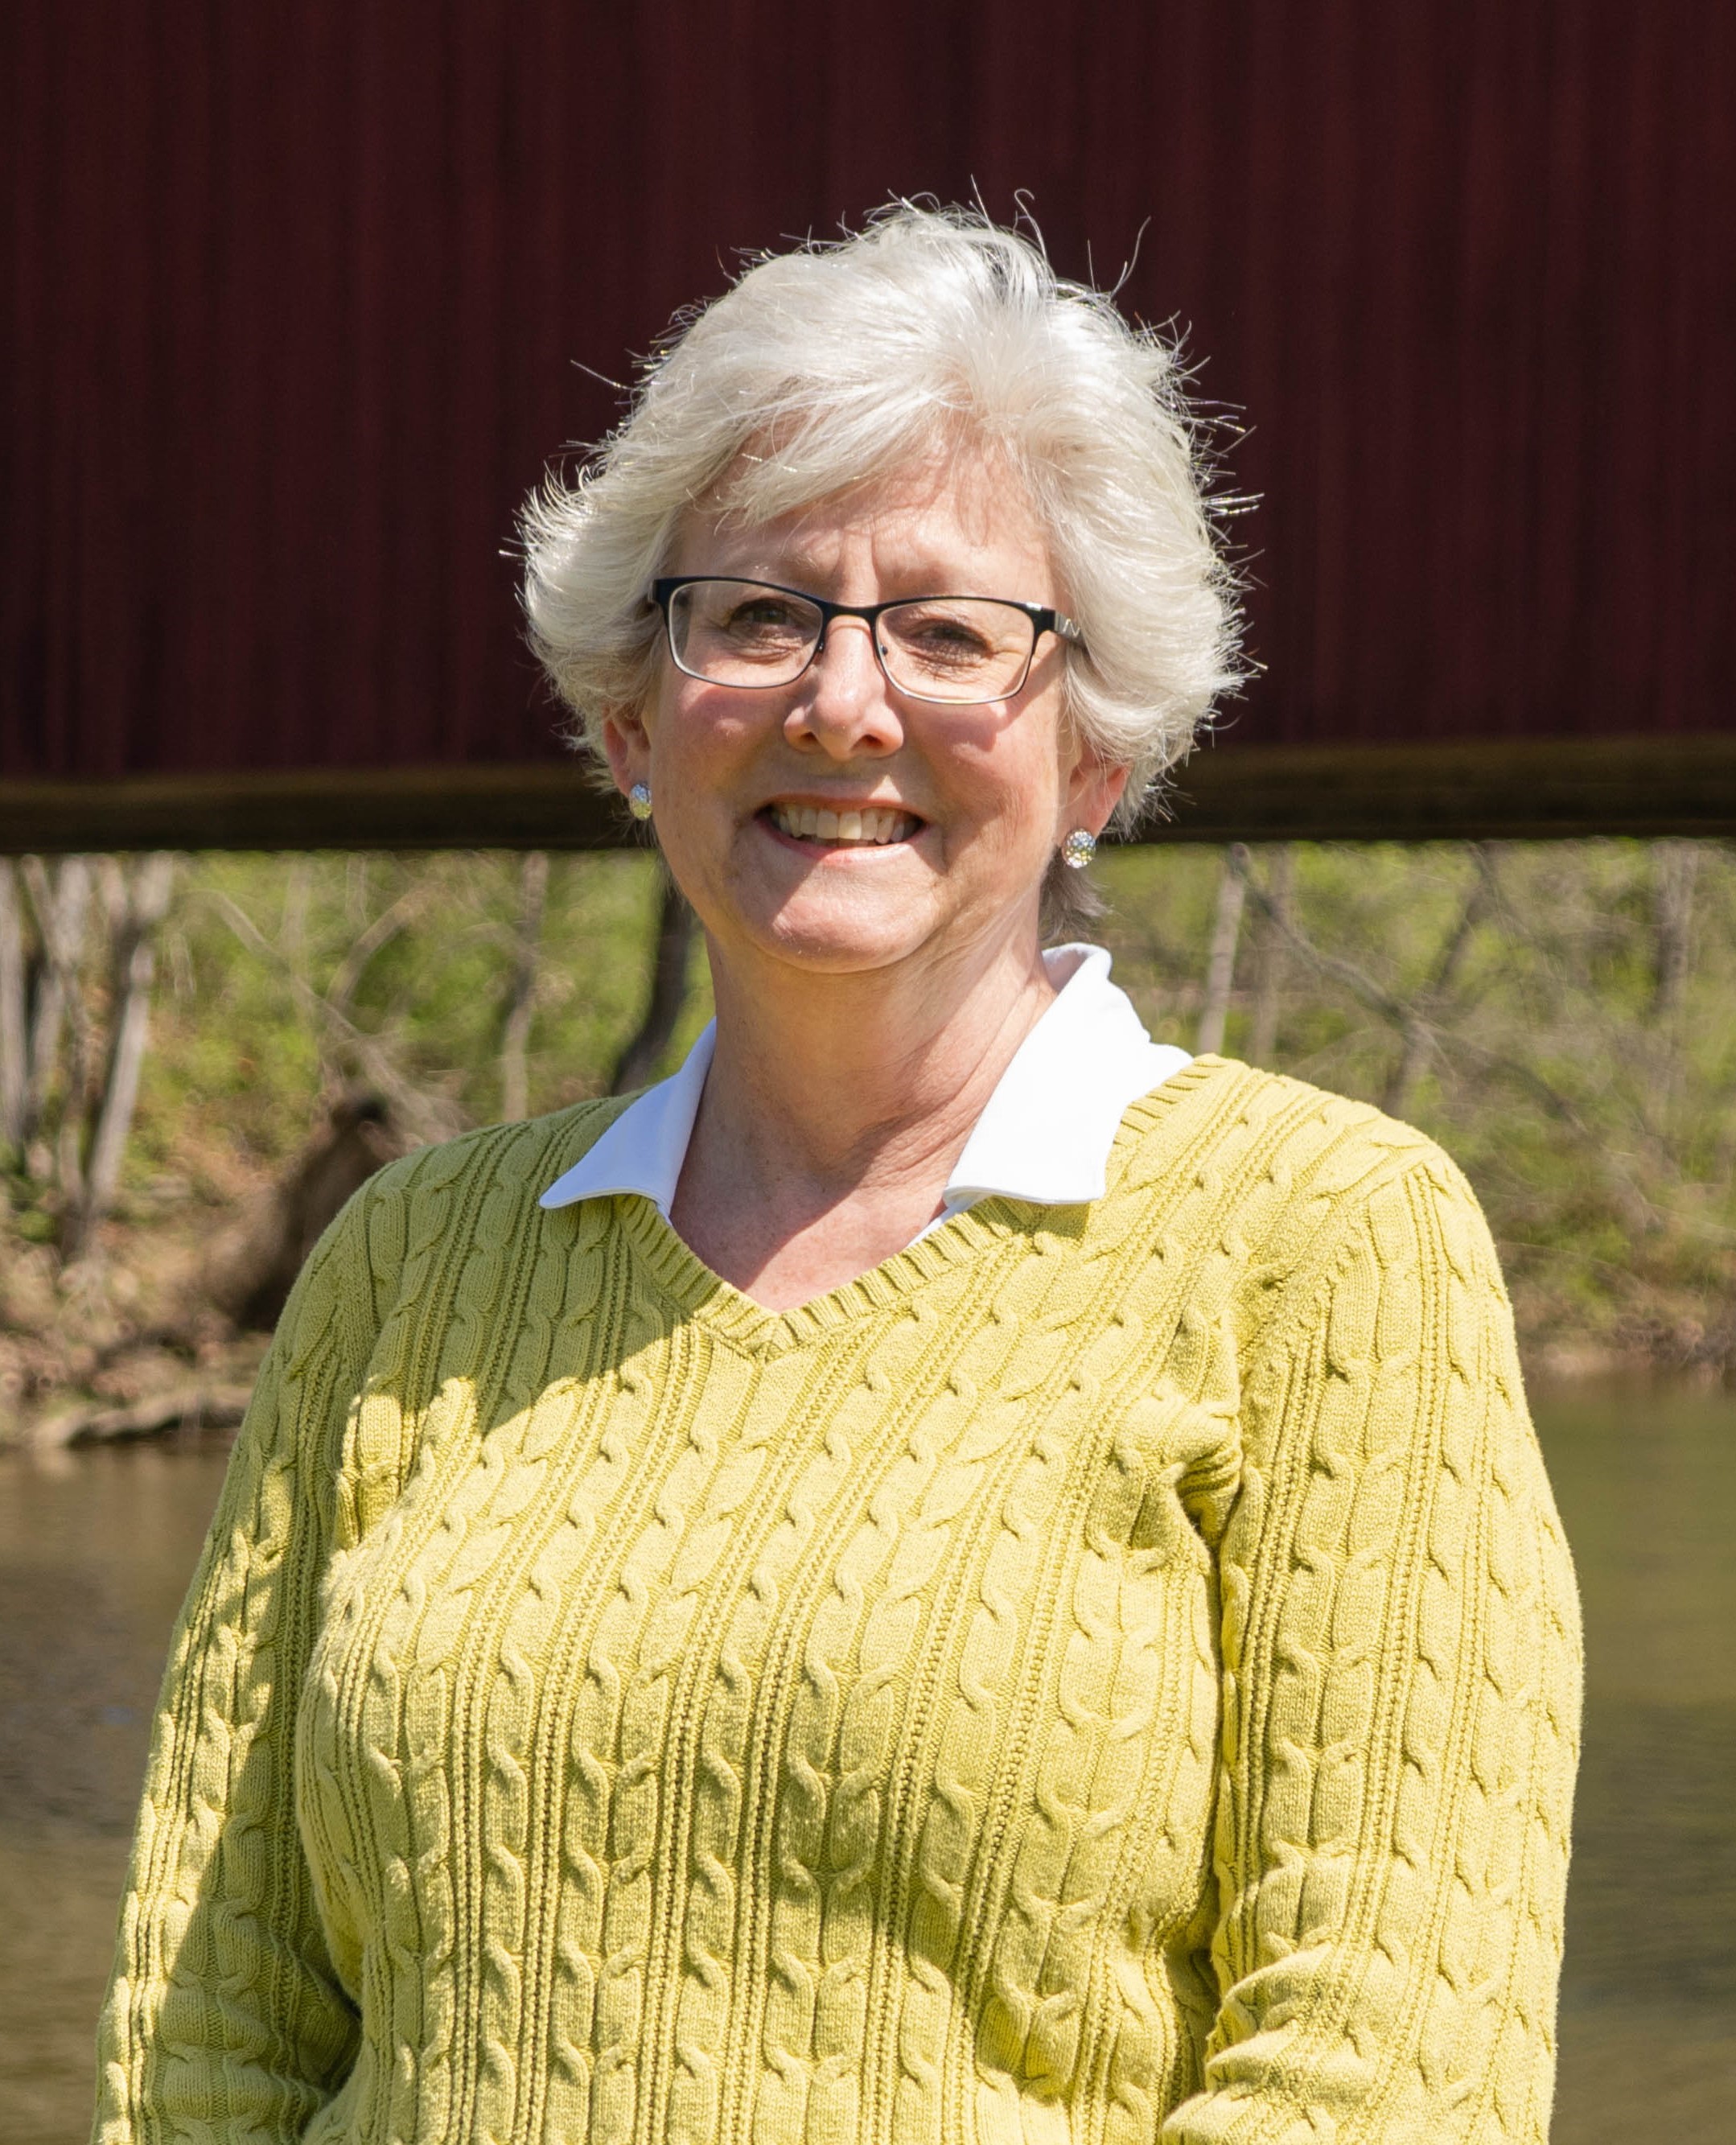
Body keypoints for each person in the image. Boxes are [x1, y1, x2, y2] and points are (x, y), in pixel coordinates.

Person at [94, 207, 1582, 2145]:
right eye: (759, 615)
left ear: (1096, 759)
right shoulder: (408, 1271)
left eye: (954, 632)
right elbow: (209, 2036)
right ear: (634, 722)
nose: (845, 704)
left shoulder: (1320, 1241)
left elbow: (1388, 2071)